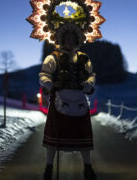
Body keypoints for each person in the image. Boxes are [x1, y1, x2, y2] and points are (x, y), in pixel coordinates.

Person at [39, 28, 97, 180]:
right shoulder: (53, 57)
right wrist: (49, 85)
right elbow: (44, 74)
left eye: (73, 38)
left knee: (83, 134)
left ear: (77, 40)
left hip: (79, 100)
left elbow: (91, 75)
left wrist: (88, 85)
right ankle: (49, 168)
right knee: (53, 137)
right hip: (59, 97)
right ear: (62, 40)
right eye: (68, 38)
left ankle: (88, 168)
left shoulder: (84, 58)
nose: (70, 41)